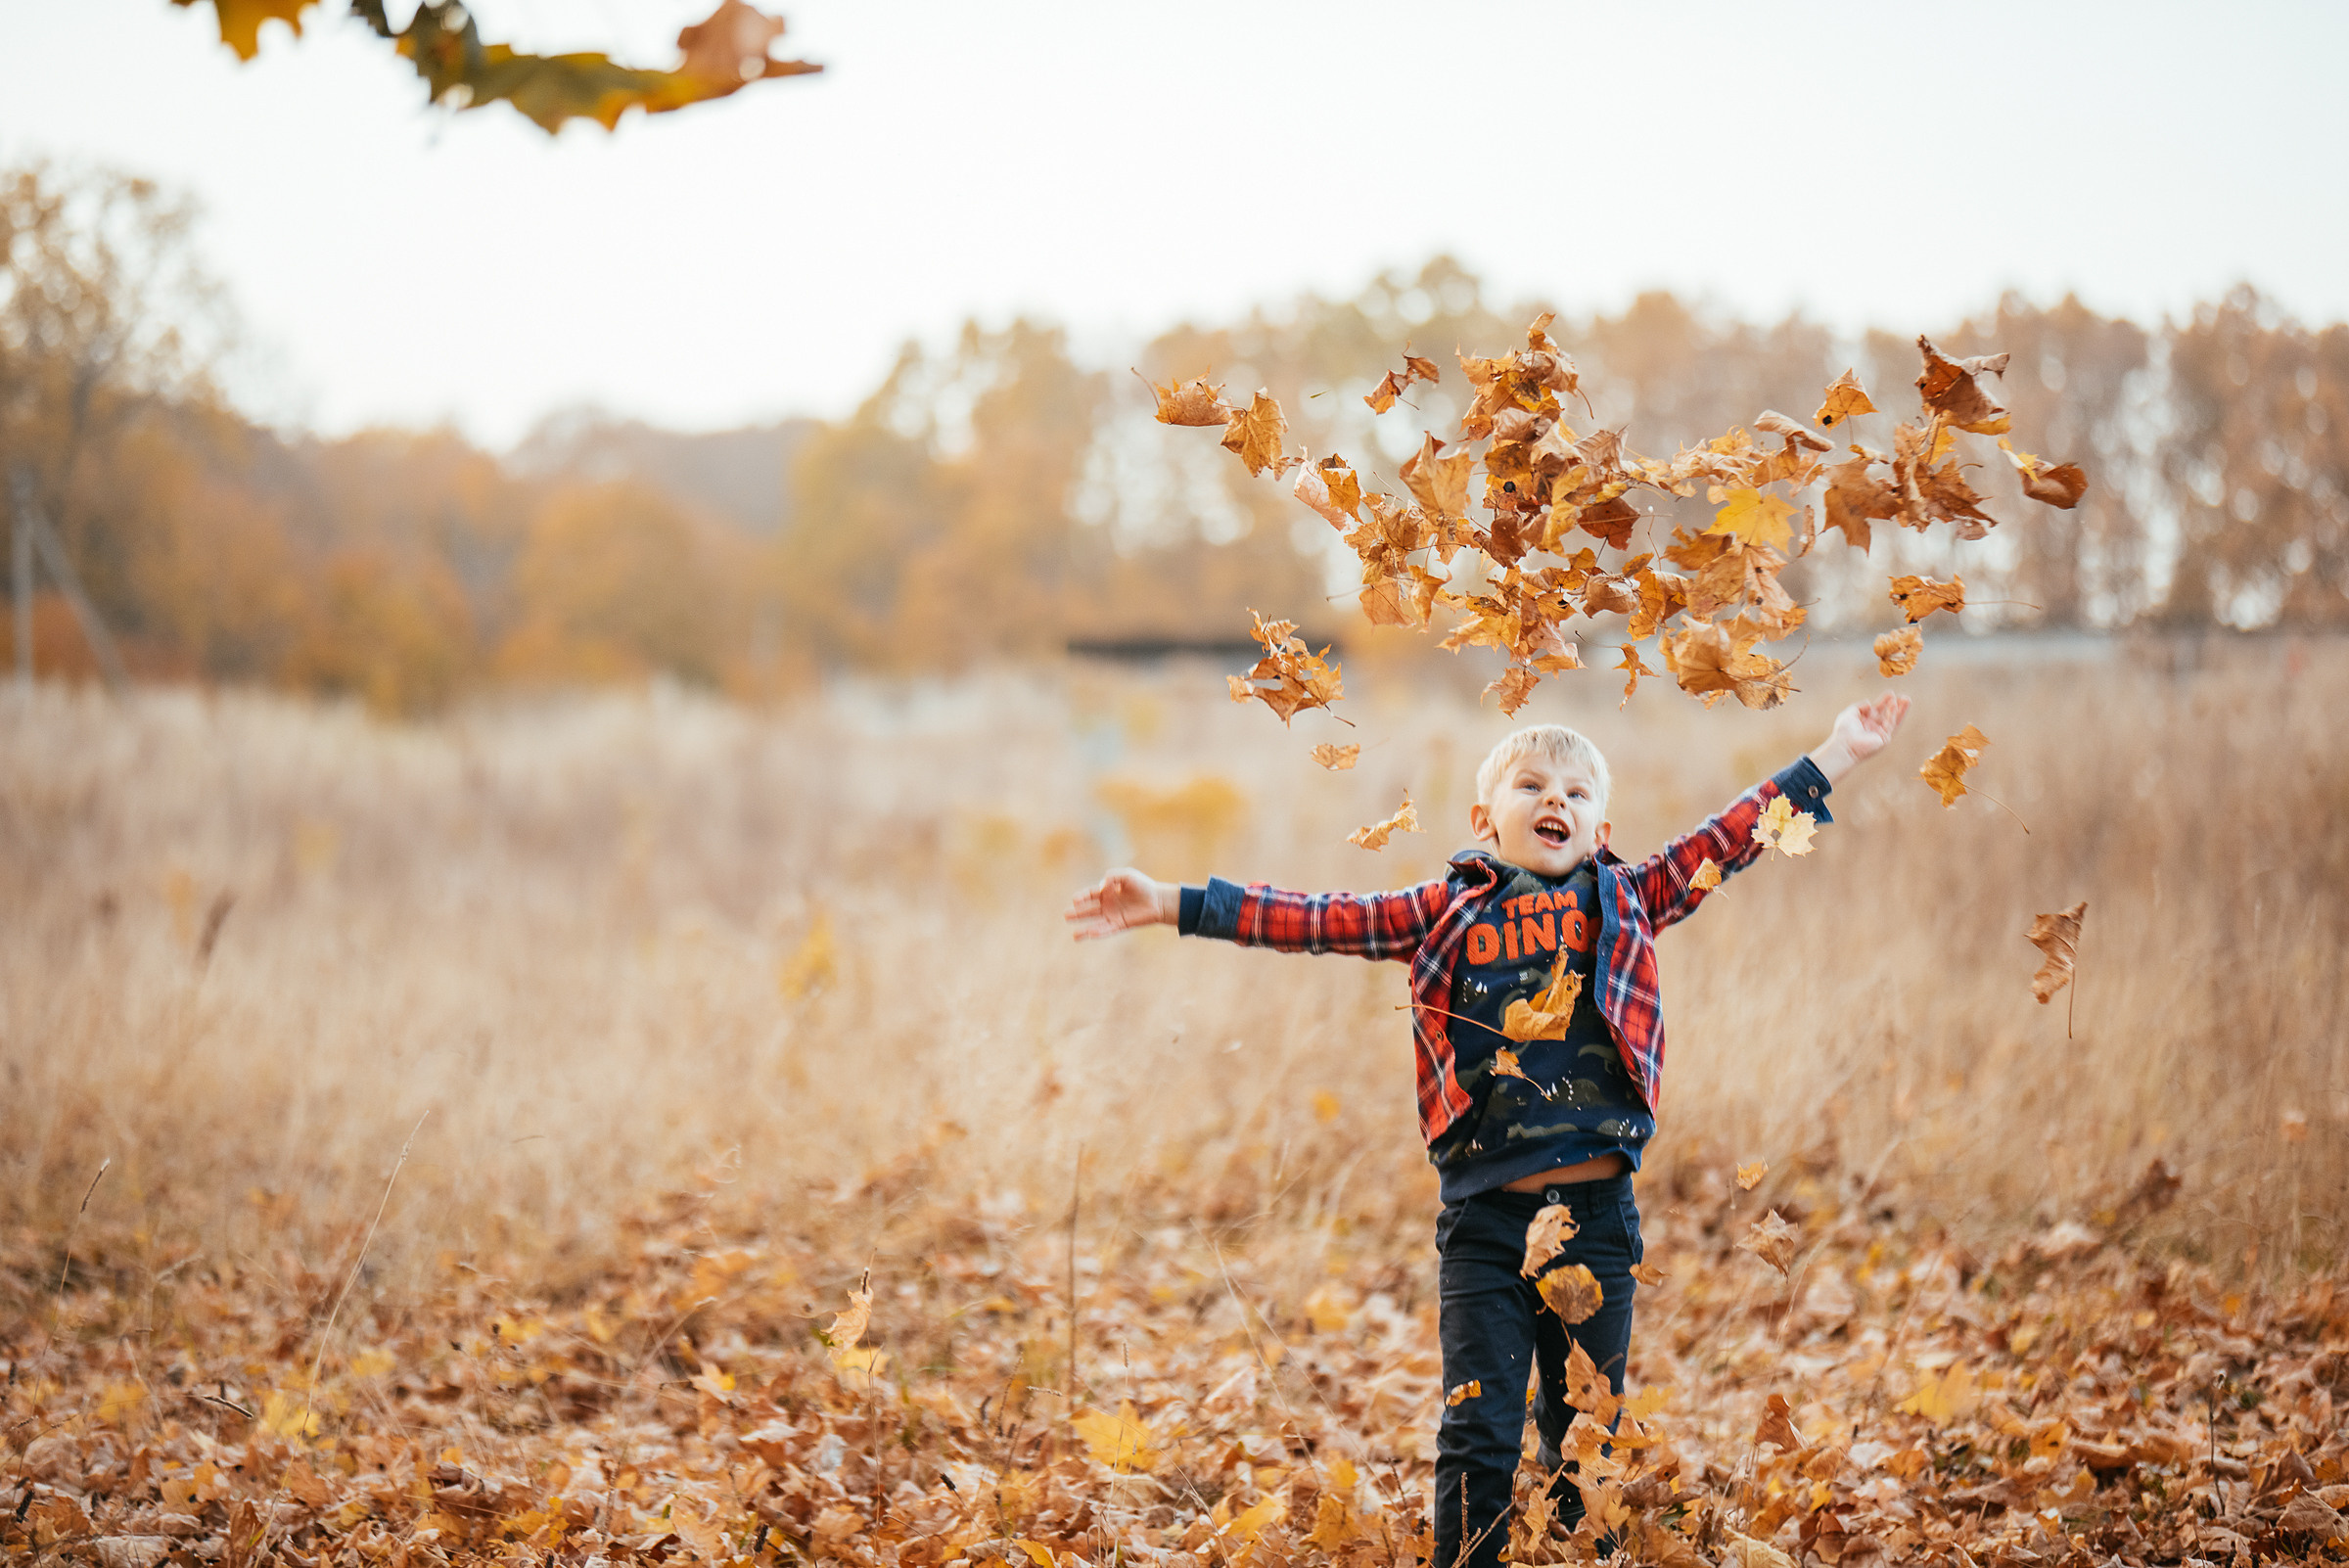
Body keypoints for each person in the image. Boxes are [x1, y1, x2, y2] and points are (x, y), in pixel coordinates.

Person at [1064, 693, 1911, 1567]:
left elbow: (1734, 835)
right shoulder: (1446, 911)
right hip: (1486, 1228)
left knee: (1586, 1444)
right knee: (1478, 1433)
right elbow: (1318, 918)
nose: (1558, 803)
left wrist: (1837, 752)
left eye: (1579, 795)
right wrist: (1171, 900)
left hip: (1595, 1227)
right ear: (1485, 817)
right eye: (1534, 786)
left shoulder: (1630, 894)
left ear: (1600, 824)